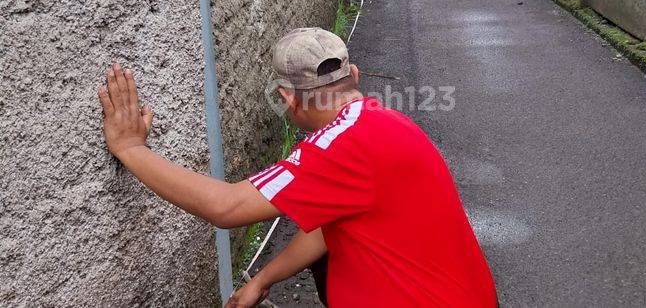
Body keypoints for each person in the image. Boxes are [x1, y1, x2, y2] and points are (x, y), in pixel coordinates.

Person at [97, 27, 497, 307]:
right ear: (353, 76)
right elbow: (326, 229)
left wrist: (131, 147)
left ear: (288, 99)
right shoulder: (383, 121)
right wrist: (264, 279)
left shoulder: (340, 146)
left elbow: (227, 207)